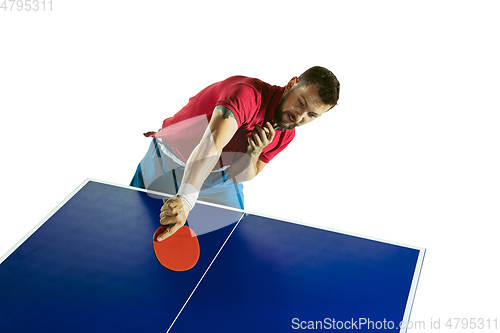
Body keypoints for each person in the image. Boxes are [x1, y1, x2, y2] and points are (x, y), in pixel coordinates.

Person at [130, 66, 340, 241]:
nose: (299, 116)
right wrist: (186, 198)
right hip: (170, 158)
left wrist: (253, 153)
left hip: (219, 176)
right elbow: (211, 145)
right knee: (137, 230)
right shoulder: (247, 94)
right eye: (301, 102)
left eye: (311, 115)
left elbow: (239, 176)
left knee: (230, 244)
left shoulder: (285, 133)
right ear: (292, 83)